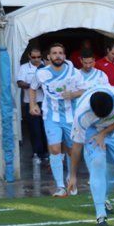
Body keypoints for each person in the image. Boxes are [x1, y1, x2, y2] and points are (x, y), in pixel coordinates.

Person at [66, 86, 114, 226]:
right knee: (97, 164)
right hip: (92, 131)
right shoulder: (82, 114)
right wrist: (73, 176)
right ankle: (101, 215)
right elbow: (76, 147)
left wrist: (104, 132)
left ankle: (104, 197)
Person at [29, 43, 80, 197]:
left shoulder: (74, 72)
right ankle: (60, 186)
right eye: (54, 53)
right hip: (51, 116)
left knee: (72, 150)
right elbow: (32, 88)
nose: (58, 55)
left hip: (71, 117)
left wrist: (73, 95)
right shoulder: (41, 73)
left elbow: (85, 89)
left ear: (64, 56)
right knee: (55, 149)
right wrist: (33, 104)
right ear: (49, 57)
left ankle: (71, 178)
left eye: (60, 53)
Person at [16, 46, 48, 164]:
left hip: (45, 102)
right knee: (35, 130)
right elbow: (19, 82)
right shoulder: (24, 68)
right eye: (34, 57)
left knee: (46, 128)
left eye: (39, 57)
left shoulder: (46, 66)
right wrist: (33, 86)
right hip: (31, 102)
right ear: (29, 56)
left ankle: (46, 152)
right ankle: (37, 152)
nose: (36, 59)